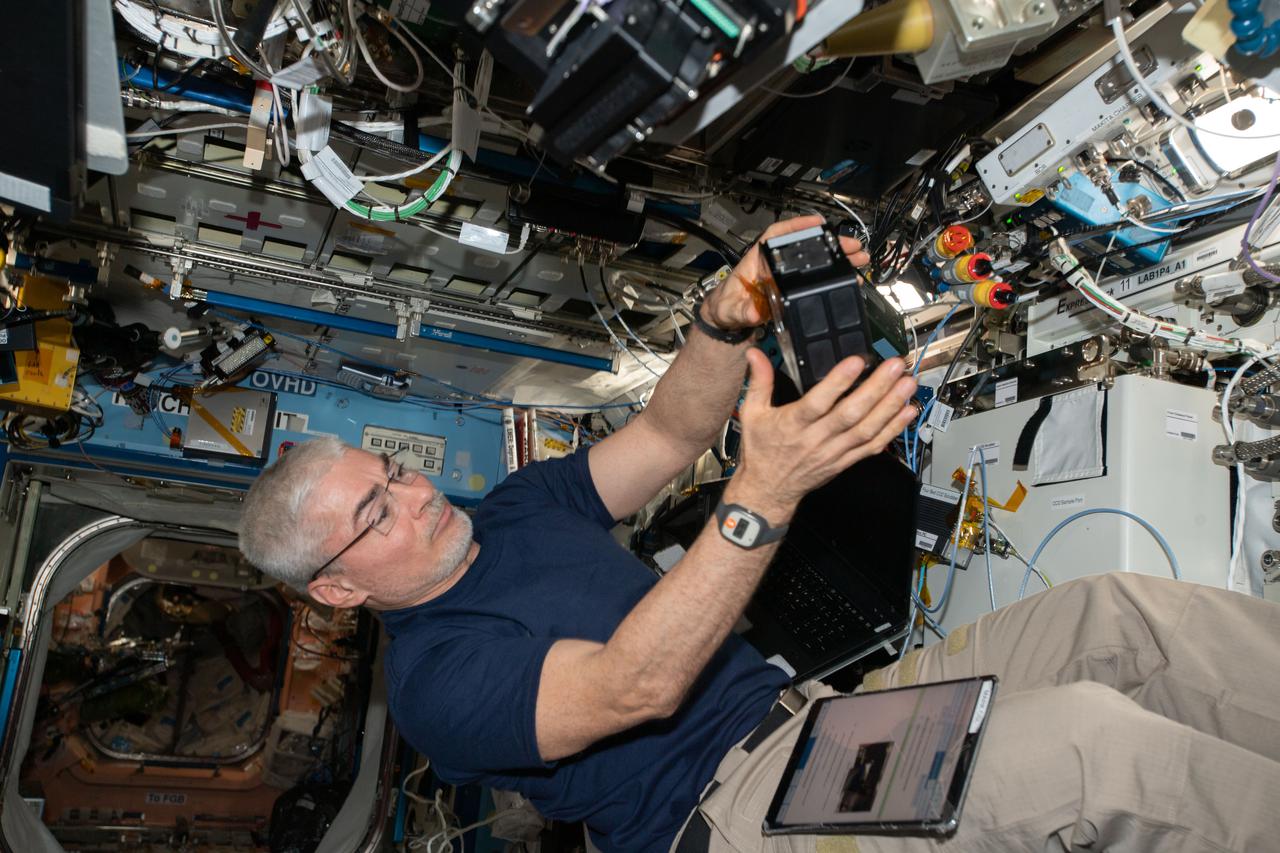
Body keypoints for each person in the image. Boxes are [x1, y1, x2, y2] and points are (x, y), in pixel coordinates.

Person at [239, 216, 1280, 853]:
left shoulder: (515, 506)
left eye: (394, 472)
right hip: (732, 811)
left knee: (1117, 615)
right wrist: (762, 492)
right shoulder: (435, 684)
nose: (415, 495)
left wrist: (724, 316)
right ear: (336, 587)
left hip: (813, 719)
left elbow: (668, 430)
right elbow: (632, 687)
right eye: (374, 513)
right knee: (1086, 752)